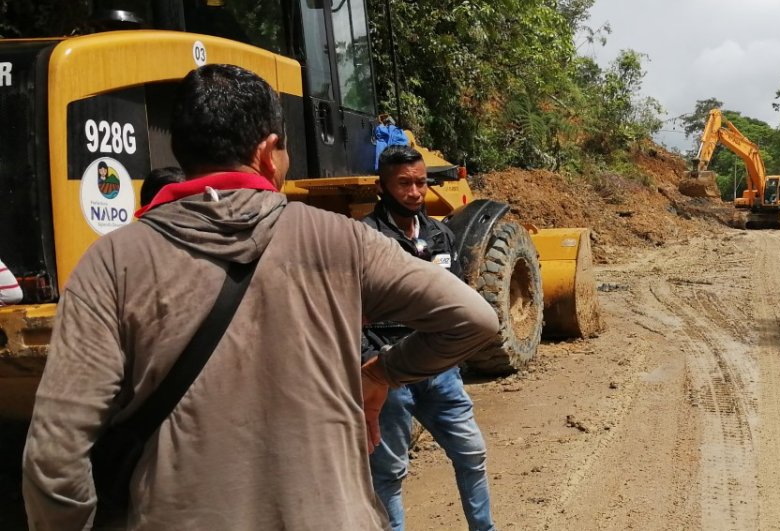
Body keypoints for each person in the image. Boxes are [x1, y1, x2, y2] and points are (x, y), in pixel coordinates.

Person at [22, 64, 500, 531]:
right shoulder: (341, 240)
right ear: (270, 152)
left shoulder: (111, 261)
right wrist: (381, 373)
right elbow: (473, 317)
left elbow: (54, 456)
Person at [362, 145, 496, 531]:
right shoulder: (365, 239)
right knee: (389, 473)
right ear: (381, 187)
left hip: (440, 372)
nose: (415, 192)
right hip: (385, 372)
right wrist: (369, 363)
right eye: (404, 184)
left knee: (472, 454)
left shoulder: (440, 235)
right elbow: (350, 313)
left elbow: (457, 300)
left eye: (421, 182)